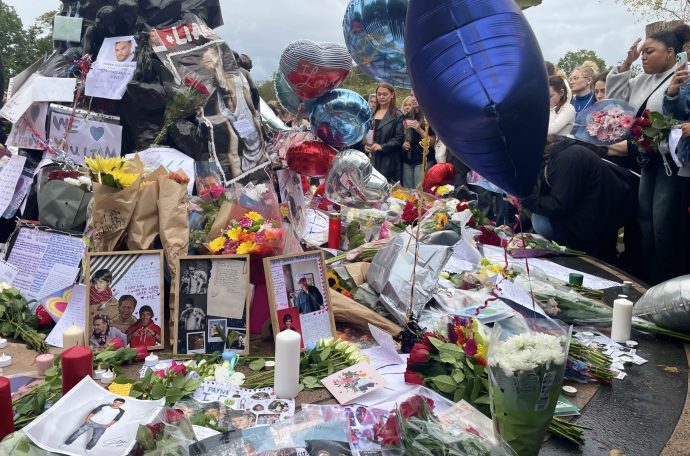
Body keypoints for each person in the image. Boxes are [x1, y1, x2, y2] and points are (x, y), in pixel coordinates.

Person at [608, 24, 690, 284]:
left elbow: (680, 113)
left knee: (662, 224)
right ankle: (646, 275)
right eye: (641, 52)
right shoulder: (642, 79)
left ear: (670, 53)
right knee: (645, 219)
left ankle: (663, 280)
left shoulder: (683, 75)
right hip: (646, 159)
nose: (643, 56)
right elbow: (615, 100)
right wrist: (626, 64)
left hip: (671, 162)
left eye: (649, 51)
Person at [520, 137, 638, 263]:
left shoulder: (566, 158)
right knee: (539, 218)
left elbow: (558, 205)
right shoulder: (555, 156)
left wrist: (524, 198)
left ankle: (578, 254)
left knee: (540, 220)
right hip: (595, 207)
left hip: (602, 213)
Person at [365, 83, 404, 182]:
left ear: (392, 95)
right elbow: (365, 132)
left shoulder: (398, 115)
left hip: (389, 161)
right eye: (379, 94)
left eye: (385, 94)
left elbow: (399, 138)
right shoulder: (371, 113)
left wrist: (382, 146)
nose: (381, 97)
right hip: (372, 158)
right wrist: (365, 144)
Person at [61, 398, 125, 453]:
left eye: (119, 403)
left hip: (102, 426)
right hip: (91, 422)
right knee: (78, 433)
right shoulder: (104, 405)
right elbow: (93, 412)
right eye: (115, 402)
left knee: (96, 438)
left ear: (121, 404)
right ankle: (66, 444)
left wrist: (108, 425)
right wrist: (87, 419)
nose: (117, 404)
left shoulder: (121, 411)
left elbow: (116, 419)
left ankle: (88, 449)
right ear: (113, 401)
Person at [401, 94, 436, 188]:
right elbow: (401, 136)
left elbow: (433, 142)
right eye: (412, 95)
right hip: (407, 159)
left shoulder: (430, 116)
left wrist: (419, 130)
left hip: (423, 160)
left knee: (420, 193)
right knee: (408, 193)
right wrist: (403, 143)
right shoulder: (407, 115)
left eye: (417, 95)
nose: (413, 99)